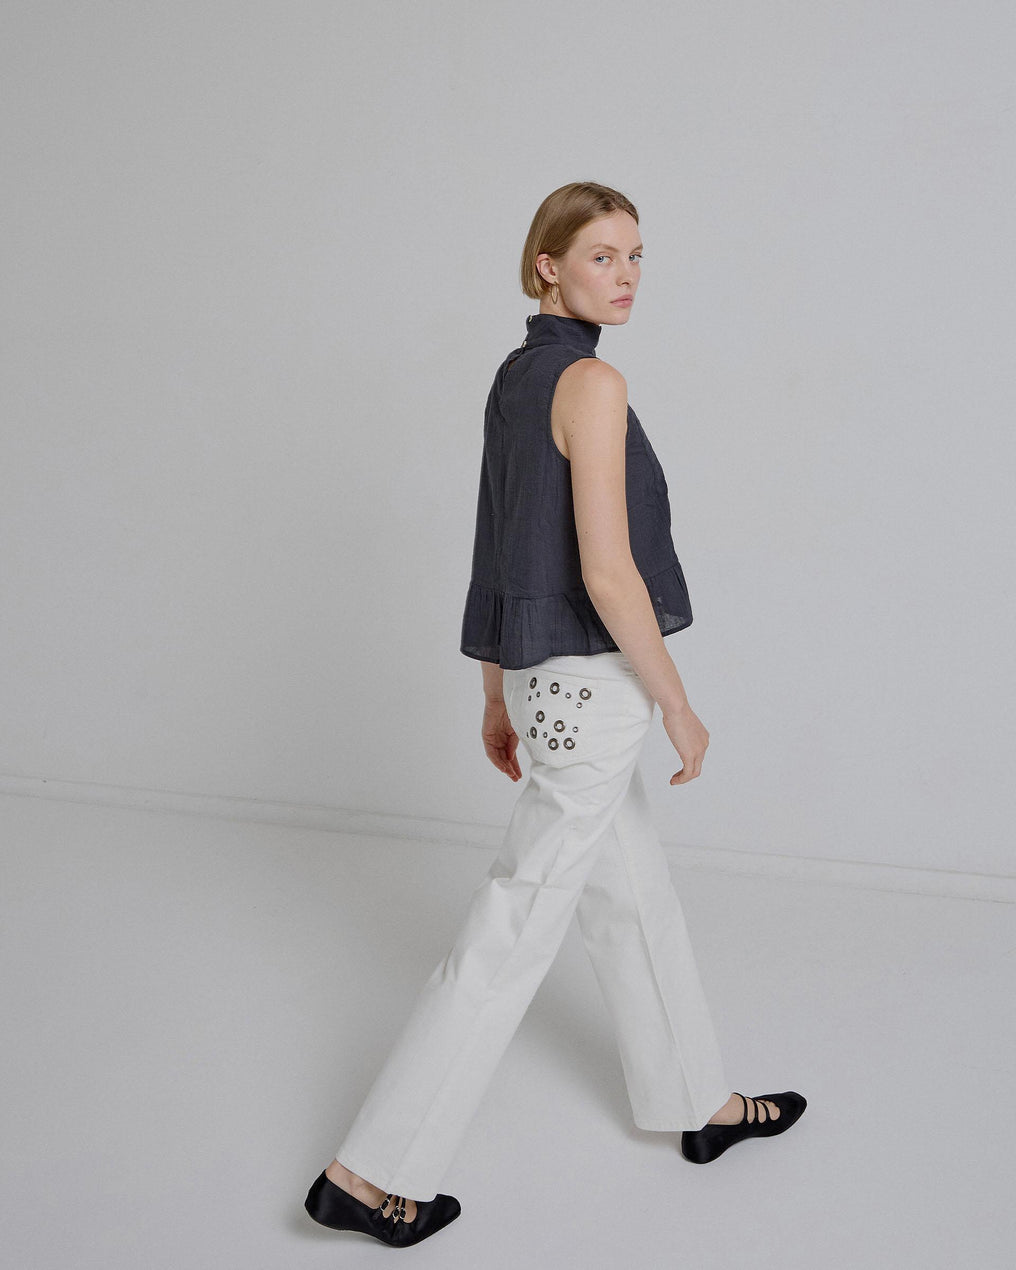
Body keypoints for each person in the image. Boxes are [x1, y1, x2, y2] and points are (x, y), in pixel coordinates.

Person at [303, 181, 806, 1249]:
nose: (626, 277)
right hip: (594, 687)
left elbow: (499, 538)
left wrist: (495, 688)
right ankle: (368, 1174)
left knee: (631, 897)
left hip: (543, 685)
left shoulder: (516, 375)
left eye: (637, 256)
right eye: (601, 256)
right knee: (515, 922)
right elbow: (607, 573)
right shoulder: (592, 381)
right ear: (547, 265)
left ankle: (699, 1101)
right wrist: (678, 703)